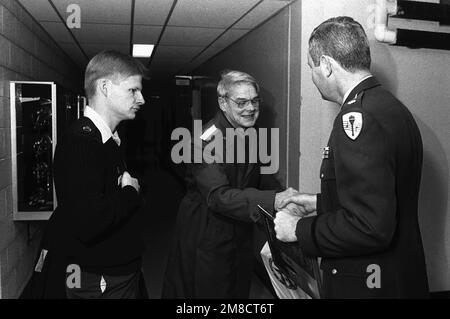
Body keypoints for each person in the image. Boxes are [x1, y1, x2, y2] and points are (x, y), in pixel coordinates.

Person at [274, 17, 429, 298]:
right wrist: (319, 203)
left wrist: (299, 228)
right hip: (397, 278)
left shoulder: (358, 118)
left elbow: (371, 226)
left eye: (312, 68)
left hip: (369, 284)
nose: (313, 77)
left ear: (327, 65)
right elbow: (381, 197)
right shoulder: (391, 108)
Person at [162, 70, 296, 298]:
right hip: (207, 233)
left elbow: (262, 178)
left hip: (239, 231)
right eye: (242, 102)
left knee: (237, 289)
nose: (251, 108)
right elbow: (218, 196)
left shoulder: (250, 133)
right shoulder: (203, 142)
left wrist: (287, 201)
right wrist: (274, 200)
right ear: (223, 103)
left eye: (255, 101)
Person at [41, 50, 147, 299]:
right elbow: (90, 222)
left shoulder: (107, 140)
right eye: (133, 90)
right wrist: (130, 191)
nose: (141, 99)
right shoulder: (82, 142)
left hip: (114, 270)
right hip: (98, 278)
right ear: (106, 87)